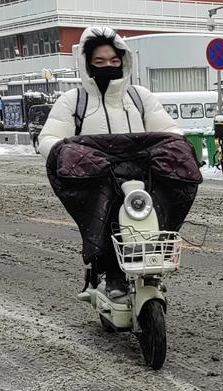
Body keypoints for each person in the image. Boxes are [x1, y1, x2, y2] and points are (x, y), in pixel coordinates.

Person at [39, 27, 181, 298]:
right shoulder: (74, 101)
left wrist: (178, 146)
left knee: (157, 207)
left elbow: (168, 130)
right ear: (87, 63)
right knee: (109, 214)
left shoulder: (140, 97)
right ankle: (108, 271)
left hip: (141, 176)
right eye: (100, 62)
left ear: (124, 61)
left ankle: (153, 265)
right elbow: (50, 138)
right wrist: (64, 153)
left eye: (114, 61)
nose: (108, 66)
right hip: (97, 178)